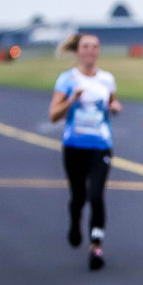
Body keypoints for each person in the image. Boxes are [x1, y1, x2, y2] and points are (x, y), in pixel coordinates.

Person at [48, 33, 122, 271]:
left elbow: (113, 104)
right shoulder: (67, 79)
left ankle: (96, 247)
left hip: (100, 146)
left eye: (95, 47)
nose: (90, 51)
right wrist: (72, 100)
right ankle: (74, 221)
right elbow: (53, 115)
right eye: (85, 47)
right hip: (74, 147)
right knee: (79, 197)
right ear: (77, 51)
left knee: (96, 196)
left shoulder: (106, 79)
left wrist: (115, 107)